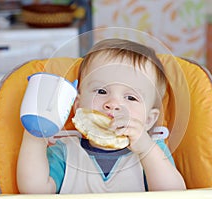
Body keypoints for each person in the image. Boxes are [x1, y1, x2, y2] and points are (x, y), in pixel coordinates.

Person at [17, 38, 186, 194]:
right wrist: (35, 134)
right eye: (102, 91)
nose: (112, 103)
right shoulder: (65, 151)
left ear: (149, 120)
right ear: (77, 106)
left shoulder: (152, 152)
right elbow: (34, 191)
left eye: (131, 97)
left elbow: (173, 194)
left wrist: (145, 149)